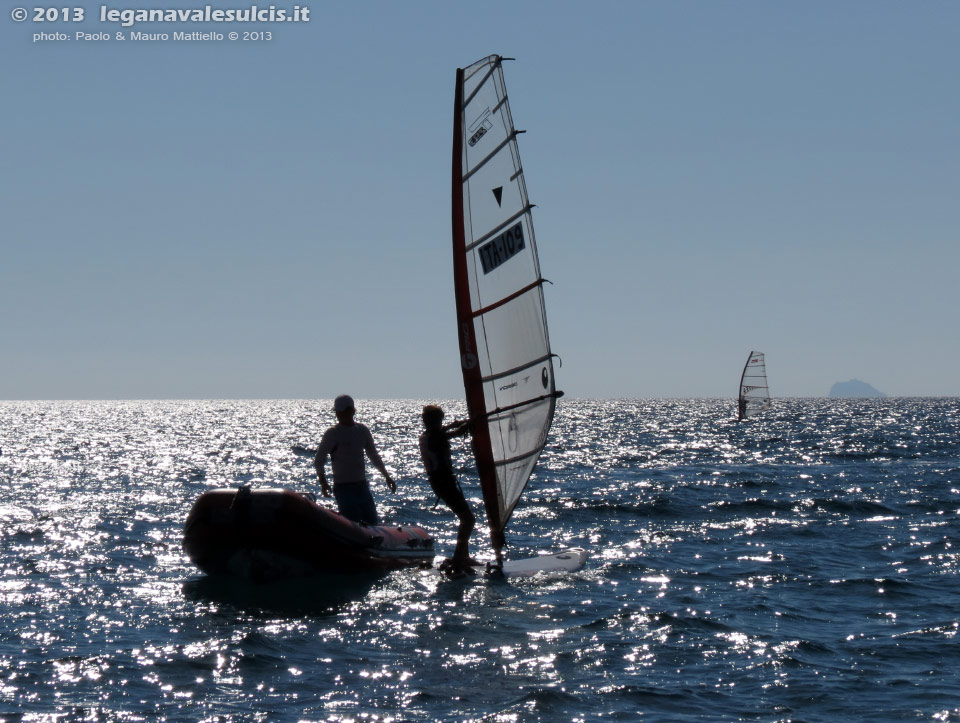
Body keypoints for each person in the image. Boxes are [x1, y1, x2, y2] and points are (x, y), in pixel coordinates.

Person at [313, 394, 396, 525]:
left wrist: (386, 476)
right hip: (343, 488)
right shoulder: (332, 433)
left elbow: (373, 455)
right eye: (338, 412)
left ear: (352, 411)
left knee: (372, 522)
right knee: (352, 522)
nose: (340, 415)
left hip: (362, 486)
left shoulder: (362, 430)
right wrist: (323, 482)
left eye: (344, 411)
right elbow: (319, 460)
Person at [419, 404, 477, 572]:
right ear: (433, 421)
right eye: (438, 420)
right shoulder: (435, 437)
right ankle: (459, 560)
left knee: (465, 518)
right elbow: (451, 434)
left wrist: (461, 423)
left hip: (441, 483)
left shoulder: (429, 434)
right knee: (468, 519)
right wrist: (470, 425)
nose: (440, 423)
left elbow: (444, 431)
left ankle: (463, 556)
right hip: (443, 483)